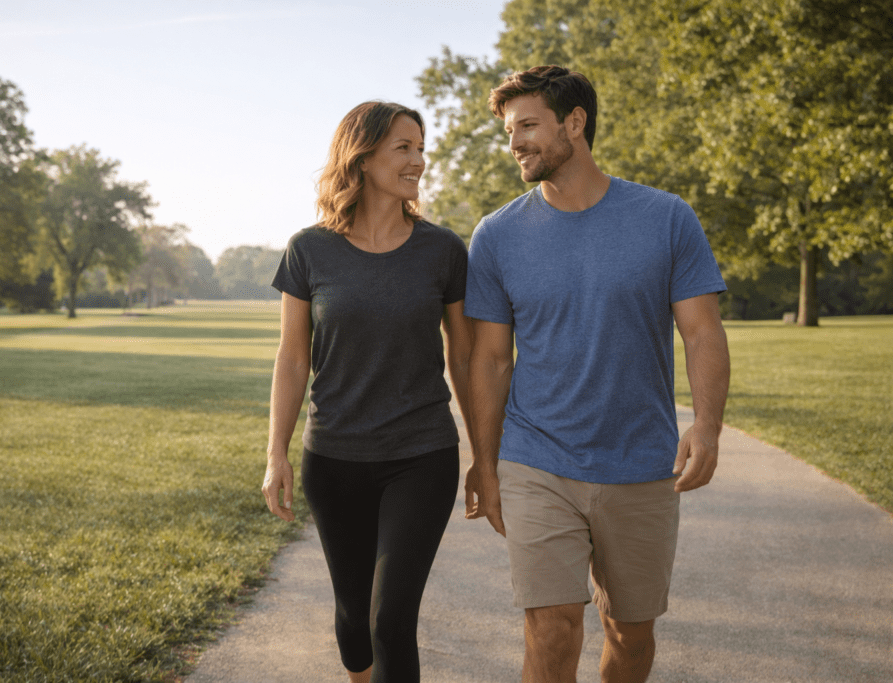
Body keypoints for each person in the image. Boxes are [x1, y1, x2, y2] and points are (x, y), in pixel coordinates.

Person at [463, 66, 731, 683]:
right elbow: (491, 359)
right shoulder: (497, 235)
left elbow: (701, 331)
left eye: (528, 126)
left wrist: (708, 426)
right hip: (537, 459)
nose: (514, 143)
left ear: (575, 123)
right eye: (509, 131)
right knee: (552, 626)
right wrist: (484, 460)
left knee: (630, 634)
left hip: (640, 461)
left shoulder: (666, 218)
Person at [261, 100, 473, 683]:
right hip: (334, 459)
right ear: (362, 156)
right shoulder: (309, 249)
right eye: (404, 148)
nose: (419, 161)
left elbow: (464, 357)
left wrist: (485, 456)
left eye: (421, 148)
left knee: (390, 620)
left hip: (422, 455)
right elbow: (293, 357)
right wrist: (276, 453)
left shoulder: (443, 251)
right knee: (354, 620)